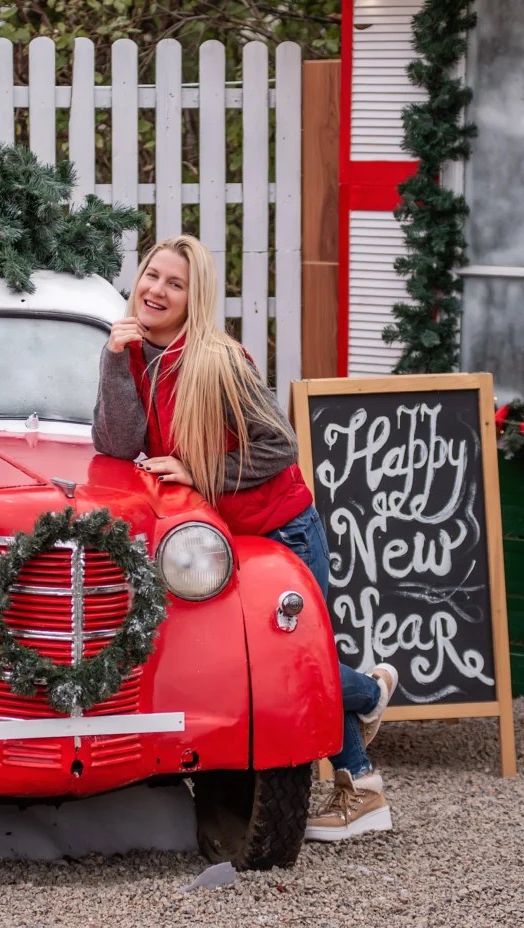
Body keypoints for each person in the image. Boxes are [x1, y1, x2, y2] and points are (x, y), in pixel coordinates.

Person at [92, 234, 398, 841]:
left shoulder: (219, 361)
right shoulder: (133, 353)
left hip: (283, 529)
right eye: (152, 275)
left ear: (193, 297)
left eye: (175, 284)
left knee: (295, 658)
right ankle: (364, 690)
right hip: (226, 538)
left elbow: (279, 444)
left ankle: (362, 789)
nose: (156, 290)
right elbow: (118, 445)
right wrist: (110, 360)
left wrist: (200, 472)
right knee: (284, 658)